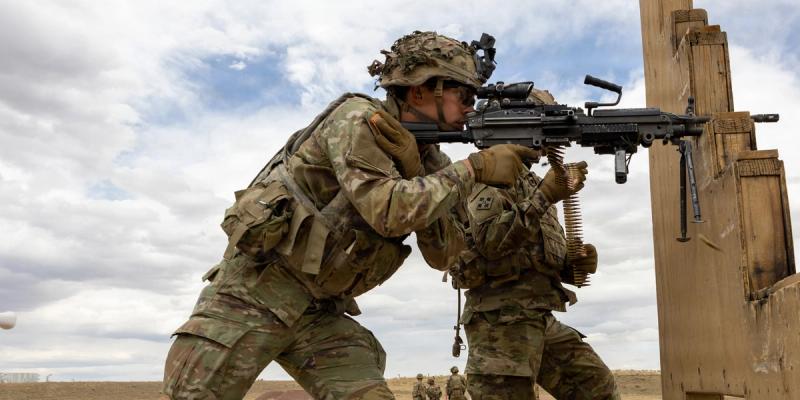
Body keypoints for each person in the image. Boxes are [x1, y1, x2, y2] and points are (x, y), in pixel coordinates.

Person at [159, 30, 538, 400]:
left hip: (319, 314)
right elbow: (387, 210)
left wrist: (425, 174)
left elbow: (444, 255)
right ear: (420, 89)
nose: (471, 106)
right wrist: (472, 169)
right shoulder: (358, 119)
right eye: (464, 94)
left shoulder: (430, 159)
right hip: (253, 296)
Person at [451, 90, 621, 400]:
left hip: (539, 317)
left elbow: (533, 253)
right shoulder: (484, 177)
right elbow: (491, 243)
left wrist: (572, 263)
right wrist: (544, 197)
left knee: (597, 387)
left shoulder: (531, 182)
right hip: (500, 323)